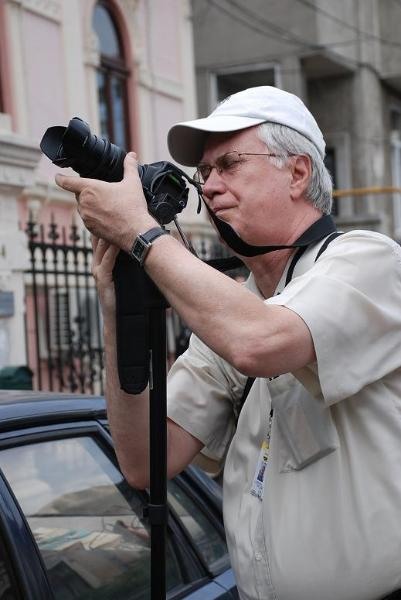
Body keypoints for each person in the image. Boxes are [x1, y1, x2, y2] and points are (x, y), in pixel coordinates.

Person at [55, 86, 401, 600]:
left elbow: (260, 341)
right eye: (204, 171)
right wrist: (114, 307)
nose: (210, 187)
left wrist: (141, 234)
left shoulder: (369, 261)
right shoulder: (236, 308)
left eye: (229, 164)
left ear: (298, 173)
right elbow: (144, 461)